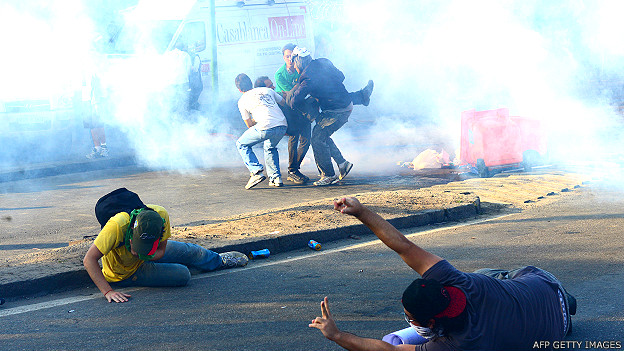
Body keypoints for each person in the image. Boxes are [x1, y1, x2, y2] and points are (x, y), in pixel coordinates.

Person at [309, 196, 576, 350]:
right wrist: (362, 211)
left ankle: (567, 301)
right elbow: (403, 246)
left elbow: (389, 349)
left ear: (433, 324)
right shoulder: (454, 280)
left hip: (559, 329)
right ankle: (566, 297)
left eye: (412, 319)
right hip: (544, 283)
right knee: (483, 275)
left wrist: (337, 335)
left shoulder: (457, 344)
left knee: (486, 276)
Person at [83, 188, 248, 303]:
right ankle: (177, 269)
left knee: (193, 251)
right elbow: (89, 260)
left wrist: (144, 254)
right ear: (130, 235)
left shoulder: (159, 215)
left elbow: (161, 249)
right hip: (125, 272)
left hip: (147, 255)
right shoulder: (117, 225)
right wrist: (108, 291)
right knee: (182, 275)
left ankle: (218, 261)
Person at [275, 43, 374, 185]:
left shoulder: (306, 78)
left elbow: (294, 101)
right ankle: (342, 164)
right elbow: (341, 76)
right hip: (343, 104)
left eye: (294, 62)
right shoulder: (323, 62)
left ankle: (328, 175)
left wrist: (299, 91)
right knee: (322, 135)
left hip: (336, 111)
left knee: (317, 138)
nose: (294, 67)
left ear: (298, 61)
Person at [235, 73, 288, 189]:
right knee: (269, 147)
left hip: (265, 126)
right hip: (282, 125)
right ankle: (276, 178)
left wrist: (256, 118)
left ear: (239, 89)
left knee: (241, 144)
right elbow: (283, 103)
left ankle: (256, 171)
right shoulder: (266, 90)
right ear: (251, 83)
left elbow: (249, 124)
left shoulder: (242, 100)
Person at [84, 74, 109, 159]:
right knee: (91, 126)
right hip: (86, 100)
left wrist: (96, 102)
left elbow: (97, 84)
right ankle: (97, 148)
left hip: (95, 100)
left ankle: (104, 147)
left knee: (99, 125)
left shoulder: (93, 68)